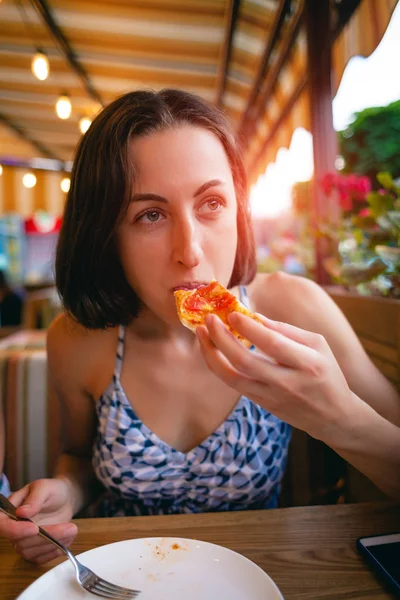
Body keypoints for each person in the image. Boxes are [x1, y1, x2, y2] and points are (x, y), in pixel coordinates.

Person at [0, 89, 399, 565]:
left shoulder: (294, 309)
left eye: (211, 202)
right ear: (106, 235)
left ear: (239, 209)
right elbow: (78, 458)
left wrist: (340, 420)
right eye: (150, 214)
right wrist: (66, 492)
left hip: (266, 574)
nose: (189, 250)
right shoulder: (78, 340)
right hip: (120, 575)